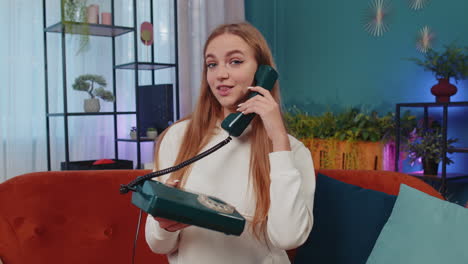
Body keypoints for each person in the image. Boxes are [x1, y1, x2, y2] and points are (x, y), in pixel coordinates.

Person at [145, 22, 315, 264]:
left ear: (262, 73)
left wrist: (278, 139)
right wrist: (165, 225)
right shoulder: (178, 137)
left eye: (235, 61)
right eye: (212, 64)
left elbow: (288, 238)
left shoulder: (291, 150)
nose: (220, 74)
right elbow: (156, 244)